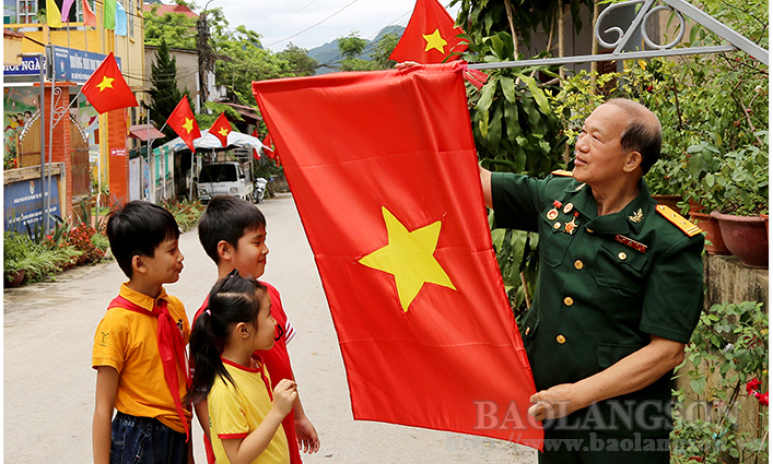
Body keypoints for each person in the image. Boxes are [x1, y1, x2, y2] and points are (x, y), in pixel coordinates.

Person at [481, 99, 704, 463]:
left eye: (596, 138)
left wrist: (576, 395)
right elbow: (474, 180)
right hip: (551, 414)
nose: (580, 144)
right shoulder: (558, 198)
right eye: (582, 132)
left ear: (631, 160)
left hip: (621, 429)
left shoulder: (669, 239)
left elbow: (667, 351)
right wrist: (424, 101)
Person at [194, 195, 319, 463]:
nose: (266, 249)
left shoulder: (269, 295)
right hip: (243, 445)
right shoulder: (209, 317)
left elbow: (282, 364)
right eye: (257, 241)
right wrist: (222, 449)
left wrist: (297, 415)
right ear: (225, 250)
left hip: (278, 433)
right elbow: (202, 396)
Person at [92, 201, 191, 464]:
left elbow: (181, 378)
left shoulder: (175, 309)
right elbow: (103, 407)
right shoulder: (117, 323)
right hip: (139, 436)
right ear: (140, 263)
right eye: (172, 250)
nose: (180, 257)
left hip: (177, 430)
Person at [187, 273, 298, 464]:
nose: (275, 322)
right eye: (268, 314)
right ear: (243, 330)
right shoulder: (225, 389)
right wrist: (277, 412)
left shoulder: (255, 365)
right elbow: (237, 457)